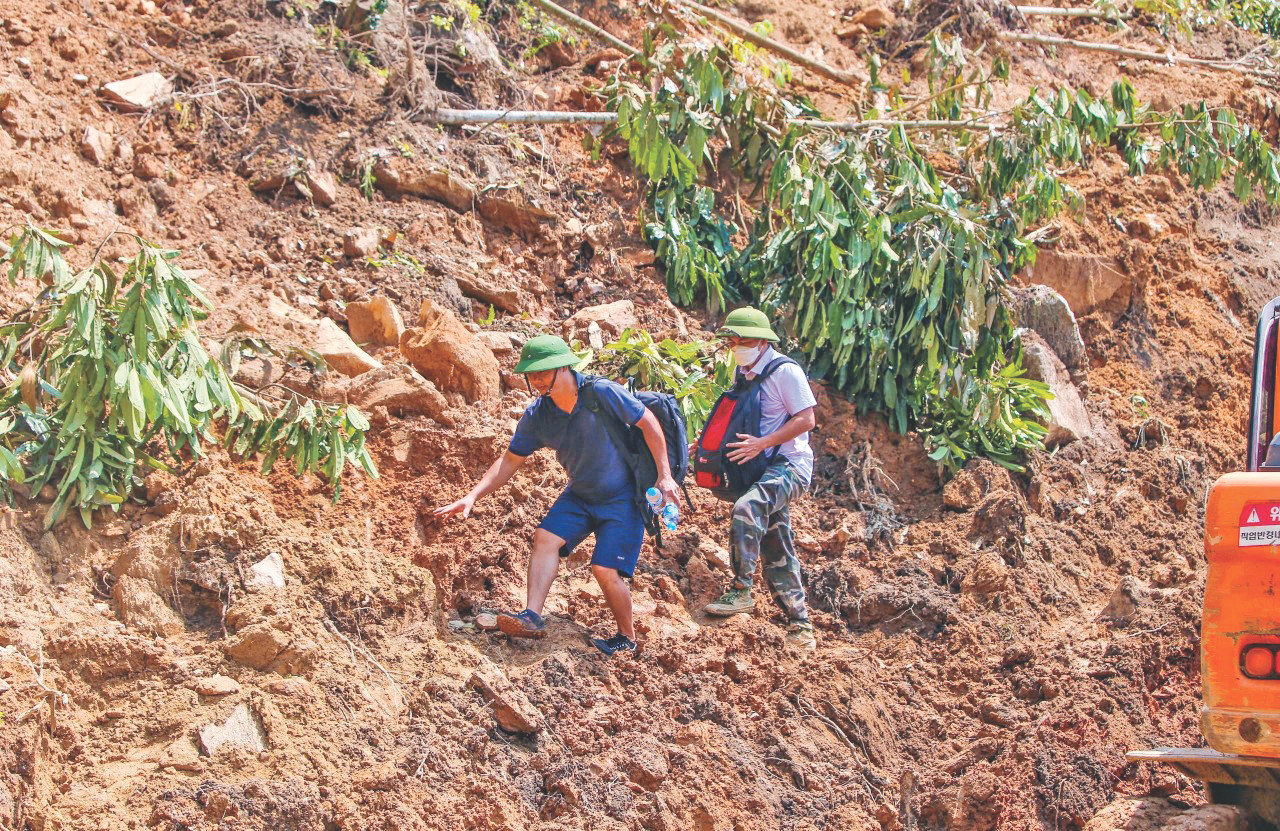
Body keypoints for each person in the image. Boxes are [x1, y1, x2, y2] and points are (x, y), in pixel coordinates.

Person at [433, 334, 679, 656]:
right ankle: (532, 616)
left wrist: (664, 475)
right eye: (531, 374)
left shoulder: (602, 393)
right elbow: (509, 461)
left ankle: (627, 637)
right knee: (545, 537)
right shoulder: (538, 416)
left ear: (564, 368)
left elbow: (649, 424)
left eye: (542, 372)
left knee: (604, 570)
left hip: (623, 498)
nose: (535, 380)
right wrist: (472, 496)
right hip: (580, 494)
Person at [702, 307, 819, 652]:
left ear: (764, 341)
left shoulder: (785, 372)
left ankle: (740, 590)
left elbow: (807, 419)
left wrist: (763, 444)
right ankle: (801, 626)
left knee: (747, 508)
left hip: (790, 465)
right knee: (776, 541)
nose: (738, 345)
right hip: (764, 467)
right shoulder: (745, 370)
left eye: (745, 340)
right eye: (733, 340)